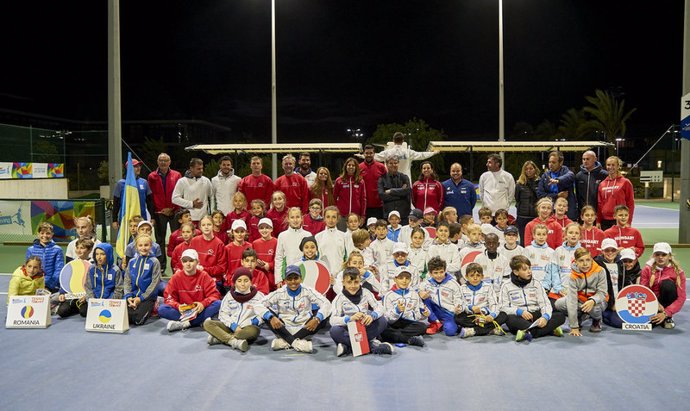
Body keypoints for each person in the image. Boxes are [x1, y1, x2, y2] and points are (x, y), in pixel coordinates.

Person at [259, 264, 332, 353]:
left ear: (301, 278)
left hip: (305, 328)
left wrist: (317, 319)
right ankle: (297, 343)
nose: (293, 281)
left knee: (324, 316)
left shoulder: (308, 290)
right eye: (289, 279)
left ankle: (285, 342)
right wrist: (270, 317)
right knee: (265, 314)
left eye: (296, 278)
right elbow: (258, 305)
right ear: (285, 280)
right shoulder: (279, 292)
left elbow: (326, 304)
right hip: (283, 327)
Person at [500, 255, 566, 342]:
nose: (529, 272)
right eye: (525, 270)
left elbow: (545, 304)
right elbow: (502, 307)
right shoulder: (506, 285)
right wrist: (519, 311)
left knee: (560, 316)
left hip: (536, 314)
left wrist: (545, 317)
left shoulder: (537, 283)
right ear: (516, 272)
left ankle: (527, 332)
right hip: (519, 317)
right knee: (509, 319)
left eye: (529, 268)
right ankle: (548, 330)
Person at [330, 267, 393, 357]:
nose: (353, 286)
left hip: (365, 326)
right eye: (349, 282)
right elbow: (332, 320)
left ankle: (347, 347)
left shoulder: (366, 292)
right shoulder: (339, 298)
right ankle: (371, 345)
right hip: (349, 329)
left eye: (356, 282)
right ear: (343, 283)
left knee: (382, 321)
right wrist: (349, 318)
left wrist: (372, 316)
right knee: (334, 331)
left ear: (360, 281)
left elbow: (380, 307)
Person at [203, 267, 266, 352]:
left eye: (246, 280)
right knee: (208, 323)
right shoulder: (229, 296)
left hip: (247, 328)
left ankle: (220, 337)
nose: (243, 284)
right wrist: (233, 325)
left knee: (254, 332)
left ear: (251, 282)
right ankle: (233, 341)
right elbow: (223, 314)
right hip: (230, 326)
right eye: (239, 281)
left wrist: (253, 322)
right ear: (235, 283)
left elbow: (264, 313)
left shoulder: (259, 296)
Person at [161, 249, 222, 332]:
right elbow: (169, 298)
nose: (188, 264)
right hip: (183, 310)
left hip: (199, 309)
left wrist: (203, 304)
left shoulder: (204, 275)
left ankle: (184, 323)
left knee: (218, 304)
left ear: (197, 262)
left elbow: (214, 295)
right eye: (185, 261)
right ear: (182, 263)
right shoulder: (176, 277)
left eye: (191, 261)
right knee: (162, 309)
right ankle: (199, 321)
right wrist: (178, 306)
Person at [555, 248, 608, 335]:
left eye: (588, 260)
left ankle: (597, 319)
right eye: (581, 260)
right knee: (559, 304)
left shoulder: (600, 271)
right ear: (575, 262)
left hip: (598, 301)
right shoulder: (573, 276)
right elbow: (571, 300)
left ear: (591, 260)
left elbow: (602, 293)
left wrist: (593, 300)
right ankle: (580, 316)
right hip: (581, 301)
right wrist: (574, 326)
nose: (585, 264)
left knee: (594, 308)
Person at [148, 152, 182, 272]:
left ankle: (177, 264)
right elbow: (151, 196)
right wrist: (158, 211)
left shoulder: (177, 175)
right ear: (158, 162)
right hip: (159, 213)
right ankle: (161, 266)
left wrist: (172, 208)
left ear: (169, 162)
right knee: (160, 240)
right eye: (161, 160)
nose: (163, 162)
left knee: (177, 239)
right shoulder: (152, 176)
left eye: (165, 160)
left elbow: (179, 194)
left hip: (174, 211)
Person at [380, 266, 430, 347]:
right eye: (400, 278)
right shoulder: (388, 295)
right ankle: (408, 339)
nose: (404, 281)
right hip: (393, 323)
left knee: (422, 326)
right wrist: (397, 311)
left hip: (407, 323)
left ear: (410, 280)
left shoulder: (414, 294)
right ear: (395, 279)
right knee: (384, 329)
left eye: (407, 278)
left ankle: (396, 336)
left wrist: (424, 314)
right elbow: (387, 318)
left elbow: (418, 316)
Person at [640, 242, 686, 329]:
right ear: (654, 256)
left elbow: (681, 297)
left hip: (666, 305)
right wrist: (655, 303)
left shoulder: (678, 272)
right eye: (657, 254)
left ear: (669, 256)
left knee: (667, 284)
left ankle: (667, 317)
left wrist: (666, 312)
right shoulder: (647, 269)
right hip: (651, 302)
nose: (660, 257)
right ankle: (657, 315)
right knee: (648, 325)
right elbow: (643, 290)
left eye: (664, 254)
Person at [456, 263, 507, 338]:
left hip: (485, 316)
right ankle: (490, 329)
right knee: (457, 317)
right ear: (466, 277)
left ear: (482, 276)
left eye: (478, 275)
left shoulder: (488, 287)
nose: (475, 278)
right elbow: (461, 303)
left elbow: (494, 304)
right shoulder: (462, 288)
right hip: (470, 316)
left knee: (503, 315)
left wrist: (491, 316)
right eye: (472, 276)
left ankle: (472, 331)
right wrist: (470, 307)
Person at [419, 256, 464, 336]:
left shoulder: (453, 284)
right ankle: (435, 322)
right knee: (424, 298)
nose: (439, 275)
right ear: (430, 273)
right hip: (434, 311)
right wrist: (420, 293)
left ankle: (444, 323)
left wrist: (458, 307)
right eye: (435, 273)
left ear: (445, 270)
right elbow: (417, 290)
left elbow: (459, 299)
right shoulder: (426, 283)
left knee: (450, 332)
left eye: (441, 272)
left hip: (448, 312)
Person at [372, 131, 439, 183]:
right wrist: (433, 153)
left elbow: (373, 156)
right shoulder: (408, 152)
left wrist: (361, 155)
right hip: (405, 182)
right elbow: (422, 155)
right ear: (403, 141)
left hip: (391, 182)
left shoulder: (388, 152)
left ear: (393, 141)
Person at [124, 234, 161, 326]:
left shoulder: (154, 261)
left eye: (146, 245)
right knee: (122, 316)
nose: (143, 248)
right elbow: (127, 280)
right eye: (140, 245)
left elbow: (155, 282)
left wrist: (141, 298)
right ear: (136, 247)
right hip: (132, 295)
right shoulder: (132, 261)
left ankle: (154, 305)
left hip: (147, 297)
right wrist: (128, 296)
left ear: (151, 246)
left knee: (138, 320)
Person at [112, 158, 155, 231]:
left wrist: (153, 217)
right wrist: (114, 220)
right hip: (125, 218)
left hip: (141, 217)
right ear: (129, 169)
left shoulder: (144, 182)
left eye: (139, 166)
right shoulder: (120, 184)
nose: (138, 168)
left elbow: (149, 201)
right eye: (135, 166)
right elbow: (116, 203)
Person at [56, 238, 95, 318]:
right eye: (77, 248)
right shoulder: (71, 265)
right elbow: (65, 280)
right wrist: (62, 293)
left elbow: (95, 284)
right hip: (72, 296)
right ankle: (75, 307)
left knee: (84, 312)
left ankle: (80, 307)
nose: (79, 250)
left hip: (86, 296)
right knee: (61, 312)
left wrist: (87, 296)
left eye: (82, 248)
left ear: (90, 250)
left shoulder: (93, 265)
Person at [537, 151, 577, 221]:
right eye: (549, 162)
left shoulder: (566, 172)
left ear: (561, 163)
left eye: (553, 162)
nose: (550, 164)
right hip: (550, 213)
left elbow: (571, 176)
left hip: (567, 214)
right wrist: (557, 195)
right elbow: (540, 194)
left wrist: (558, 180)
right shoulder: (545, 176)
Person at [189, 215, 227, 291]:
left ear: (213, 226)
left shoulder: (219, 244)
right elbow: (189, 260)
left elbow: (221, 268)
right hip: (196, 276)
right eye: (203, 225)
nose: (206, 227)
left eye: (209, 224)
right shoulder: (194, 241)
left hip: (213, 279)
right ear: (200, 227)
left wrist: (204, 269)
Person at [274, 207, 311, 283]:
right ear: (288, 219)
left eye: (297, 217)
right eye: (292, 217)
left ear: (301, 218)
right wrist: (279, 279)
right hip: (289, 274)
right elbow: (279, 258)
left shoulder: (308, 235)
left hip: (306, 274)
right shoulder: (282, 236)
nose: (295, 220)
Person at [172, 158, 213, 225]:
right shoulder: (182, 181)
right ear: (191, 168)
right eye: (198, 169)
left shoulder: (206, 181)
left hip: (204, 219)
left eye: (202, 168)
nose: (201, 171)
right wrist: (191, 204)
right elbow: (174, 199)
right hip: (188, 219)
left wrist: (211, 214)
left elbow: (212, 197)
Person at [598, 155, 635, 230]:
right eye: (608, 165)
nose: (610, 167)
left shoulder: (625, 182)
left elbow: (630, 203)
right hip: (605, 221)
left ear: (618, 166)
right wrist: (598, 221)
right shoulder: (602, 184)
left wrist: (629, 221)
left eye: (613, 165)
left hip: (620, 219)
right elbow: (600, 204)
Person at [25, 222, 64, 293]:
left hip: (52, 286)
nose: (45, 236)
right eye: (42, 233)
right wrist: (32, 284)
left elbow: (58, 270)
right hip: (35, 284)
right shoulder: (30, 250)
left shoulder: (57, 250)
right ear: (38, 234)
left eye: (48, 233)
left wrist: (48, 286)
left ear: (52, 234)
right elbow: (28, 269)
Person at [334, 157, 367, 231]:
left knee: (354, 238)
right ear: (345, 166)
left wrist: (363, 216)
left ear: (356, 167)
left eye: (353, 165)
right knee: (342, 236)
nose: (351, 167)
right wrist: (336, 213)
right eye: (349, 165)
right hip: (342, 216)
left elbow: (363, 199)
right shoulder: (339, 181)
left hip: (355, 216)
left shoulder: (360, 181)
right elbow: (334, 198)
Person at [378, 156, 411, 225]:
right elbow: (382, 196)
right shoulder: (382, 179)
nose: (393, 165)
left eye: (395, 163)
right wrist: (401, 194)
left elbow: (407, 191)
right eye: (391, 163)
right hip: (388, 215)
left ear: (398, 164)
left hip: (403, 215)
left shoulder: (404, 177)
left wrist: (391, 191)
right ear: (386, 164)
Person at [315, 206, 348, 276]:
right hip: (323, 273)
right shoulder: (318, 237)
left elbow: (346, 257)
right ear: (324, 218)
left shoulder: (344, 236)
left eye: (333, 217)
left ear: (337, 219)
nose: (331, 220)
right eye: (328, 217)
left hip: (340, 274)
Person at [359, 144, 388, 220]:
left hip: (379, 205)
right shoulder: (359, 167)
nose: (369, 155)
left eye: (371, 153)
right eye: (367, 153)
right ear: (363, 153)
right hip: (364, 206)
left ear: (374, 154)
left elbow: (386, 184)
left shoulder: (381, 167)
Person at [514, 160, 540, 243]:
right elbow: (517, 199)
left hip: (535, 217)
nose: (528, 170)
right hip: (522, 217)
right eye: (526, 169)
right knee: (523, 240)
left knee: (536, 239)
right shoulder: (519, 184)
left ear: (535, 169)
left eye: (531, 168)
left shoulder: (540, 183)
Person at [575, 150, 607, 216]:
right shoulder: (579, 176)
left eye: (587, 159)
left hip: (599, 213)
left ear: (595, 159)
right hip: (583, 213)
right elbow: (578, 195)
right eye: (583, 159)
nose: (585, 161)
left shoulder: (604, 175)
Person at [224, 220, 252, 286]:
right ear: (232, 232)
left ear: (246, 232)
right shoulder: (227, 248)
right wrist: (230, 281)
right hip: (231, 283)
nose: (239, 234)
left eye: (242, 231)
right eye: (236, 231)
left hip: (246, 281)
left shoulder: (250, 246)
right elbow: (224, 269)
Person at [252, 218, 278, 290]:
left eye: (267, 227)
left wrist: (269, 265)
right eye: (261, 228)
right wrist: (256, 263)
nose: (264, 230)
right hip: (259, 281)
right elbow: (252, 259)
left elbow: (279, 259)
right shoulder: (255, 243)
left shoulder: (276, 242)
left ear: (271, 229)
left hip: (272, 279)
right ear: (258, 230)